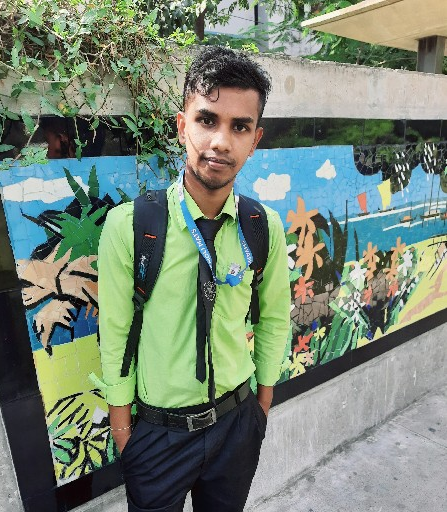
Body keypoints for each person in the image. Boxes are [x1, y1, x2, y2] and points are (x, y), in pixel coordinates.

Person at [95, 46, 290, 512]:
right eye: (207, 120)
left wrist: (260, 409)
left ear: (255, 140)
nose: (221, 141)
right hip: (158, 436)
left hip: (237, 424)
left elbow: (274, 320)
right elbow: (115, 334)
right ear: (183, 126)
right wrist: (125, 435)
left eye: (239, 126)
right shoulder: (131, 226)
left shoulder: (263, 227)